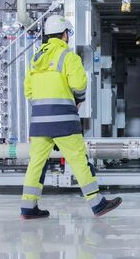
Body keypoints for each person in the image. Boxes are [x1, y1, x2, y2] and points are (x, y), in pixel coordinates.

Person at [20, 15, 122, 219]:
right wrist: (78, 99)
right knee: (78, 160)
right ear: (65, 34)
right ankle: (97, 204)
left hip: (38, 122)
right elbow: (79, 85)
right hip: (64, 120)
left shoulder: (35, 59)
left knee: (36, 163)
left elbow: (28, 92)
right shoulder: (67, 56)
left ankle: (28, 208)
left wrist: (43, 107)